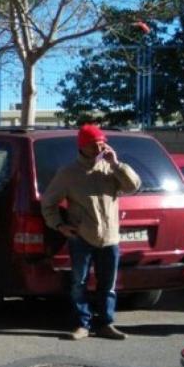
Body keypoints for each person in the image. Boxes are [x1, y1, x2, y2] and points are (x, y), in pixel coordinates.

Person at [42, 124, 141, 341]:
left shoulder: (111, 169)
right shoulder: (68, 173)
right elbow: (48, 203)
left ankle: (106, 323)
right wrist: (59, 226)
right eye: (94, 143)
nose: (100, 146)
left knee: (108, 284)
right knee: (79, 283)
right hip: (82, 238)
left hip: (110, 238)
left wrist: (116, 164)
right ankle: (82, 324)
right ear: (82, 146)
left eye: (102, 141)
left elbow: (134, 186)